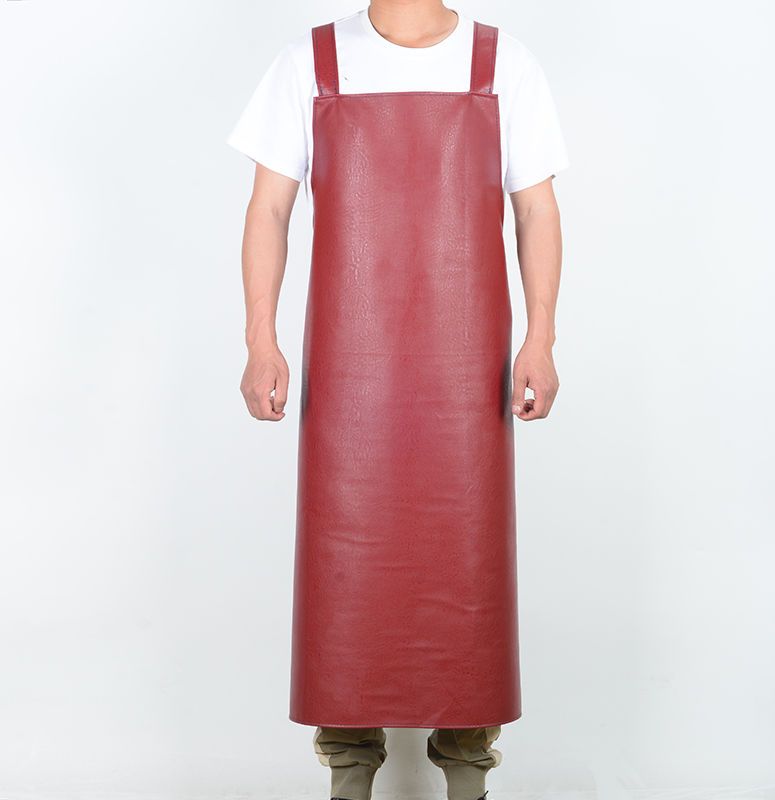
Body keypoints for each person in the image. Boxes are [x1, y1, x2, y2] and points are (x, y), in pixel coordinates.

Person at [226, 2, 569, 799]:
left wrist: (542, 337)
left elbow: (537, 207)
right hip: (350, 367)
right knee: (345, 561)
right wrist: (260, 339)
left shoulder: (501, 62)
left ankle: (467, 773)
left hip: (466, 365)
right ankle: (349, 769)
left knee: (468, 559)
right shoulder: (312, 62)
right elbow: (269, 206)